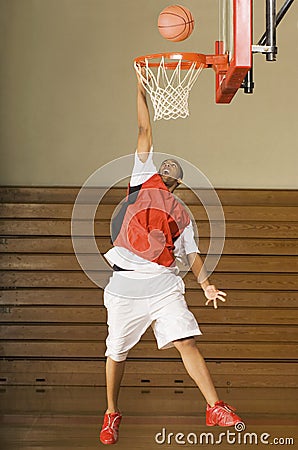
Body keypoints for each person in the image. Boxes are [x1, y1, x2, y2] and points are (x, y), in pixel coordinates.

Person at [99, 70, 243, 445]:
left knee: (187, 341)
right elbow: (145, 131)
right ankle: (112, 413)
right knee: (116, 351)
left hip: (164, 283)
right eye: (163, 165)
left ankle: (214, 407)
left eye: (172, 171)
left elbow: (192, 254)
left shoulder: (182, 214)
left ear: (177, 182)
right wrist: (140, 89)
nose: (165, 168)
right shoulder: (141, 178)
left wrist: (206, 283)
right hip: (126, 282)